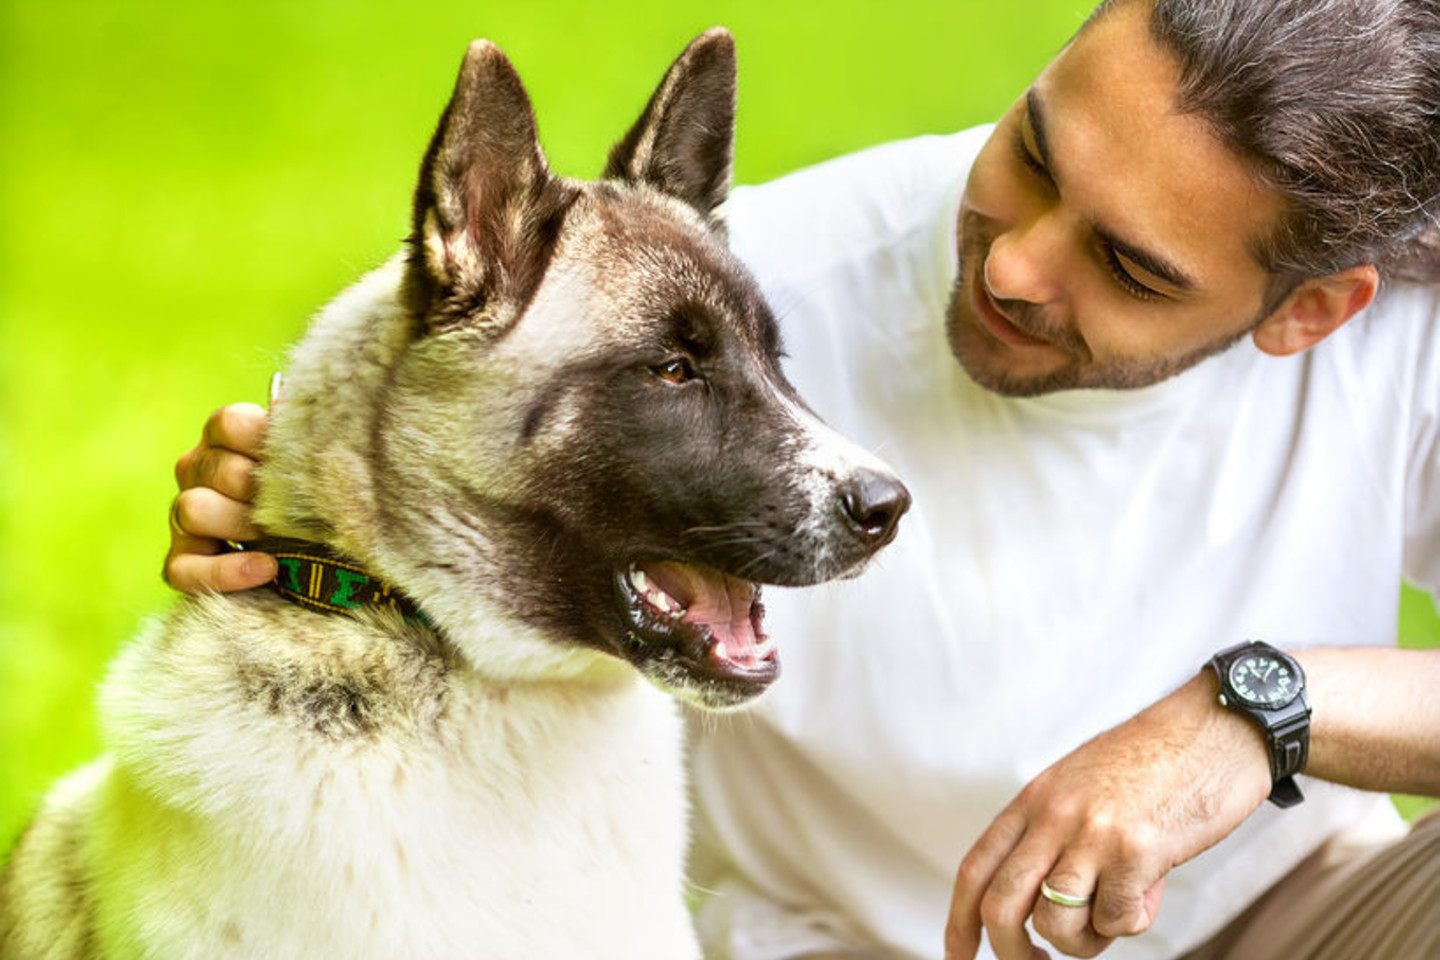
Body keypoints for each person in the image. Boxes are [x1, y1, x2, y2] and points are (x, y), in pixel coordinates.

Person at [165, 0, 1440, 958]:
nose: (1013, 269)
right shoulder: (728, 285)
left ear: (1311, 309)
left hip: (1294, 920)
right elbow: (445, 417)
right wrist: (303, 502)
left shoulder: (1405, 346)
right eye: (1034, 157)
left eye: (1131, 267)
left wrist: (1262, 707)